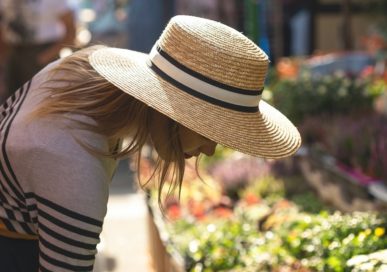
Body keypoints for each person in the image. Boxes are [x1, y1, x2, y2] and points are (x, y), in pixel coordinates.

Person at [0, 15, 301, 271]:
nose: (210, 149)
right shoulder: (73, 168)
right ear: (177, 115)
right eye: (210, 131)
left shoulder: (76, 74)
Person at [0, 0, 76, 101]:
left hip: (42, 52)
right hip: (13, 53)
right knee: (12, 101)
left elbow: (71, 32)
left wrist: (45, 57)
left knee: (41, 100)